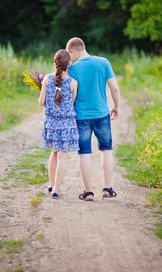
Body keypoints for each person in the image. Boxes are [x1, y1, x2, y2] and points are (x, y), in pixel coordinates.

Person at [65, 37, 120, 201]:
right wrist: (116, 106)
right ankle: (107, 189)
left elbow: (70, 94)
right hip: (101, 114)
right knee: (106, 149)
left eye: (70, 54)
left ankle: (88, 192)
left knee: (84, 153)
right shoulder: (103, 62)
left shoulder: (73, 69)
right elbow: (114, 88)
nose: (70, 58)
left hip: (81, 117)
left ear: (73, 51)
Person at [39, 49, 79, 199]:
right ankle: (55, 189)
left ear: (55, 63)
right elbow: (72, 103)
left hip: (51, 123)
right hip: (67, 125)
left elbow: (41, 102)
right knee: (63, 156)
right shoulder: (74, 83)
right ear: (69, 63)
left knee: (53, 153)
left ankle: (50, 184)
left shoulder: (47, 79)